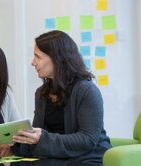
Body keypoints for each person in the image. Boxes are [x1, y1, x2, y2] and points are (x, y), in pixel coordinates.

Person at [12, 30, 111, 164]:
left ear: (57, 58)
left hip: (87, 158)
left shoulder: (87, 90)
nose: (33, 62)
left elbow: (88, 140)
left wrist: (43, 138)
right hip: (56, 157)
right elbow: (39, 138)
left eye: (37, 57)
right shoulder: (41, 93)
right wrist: (16, 143)